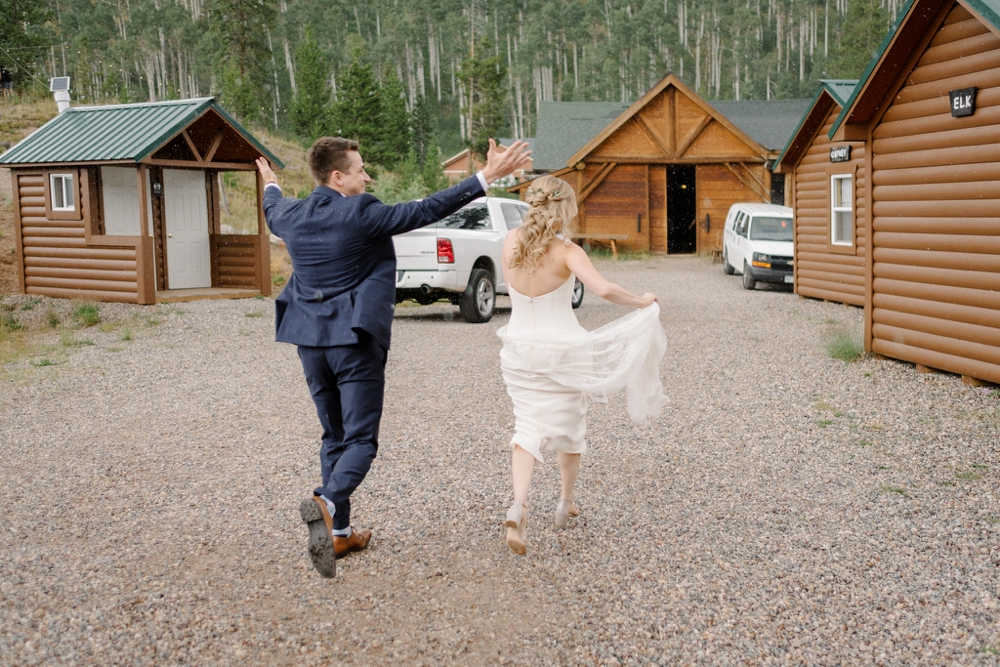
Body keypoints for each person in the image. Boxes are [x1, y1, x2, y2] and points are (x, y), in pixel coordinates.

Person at [256, 137, 530, 578]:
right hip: (354, 340)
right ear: (337, 176)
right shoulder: (361, 213)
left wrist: (269, 182)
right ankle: (326, 503)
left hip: (309, 341)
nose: (368, 177)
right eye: (360, 169)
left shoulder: (289, 214)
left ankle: (340, 531)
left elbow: (271, 206)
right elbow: (426, 210)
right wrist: (487, 177)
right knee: (361, 441)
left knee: (334, 435)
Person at [497, 174, 668, 555]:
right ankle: (563, 502)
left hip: (519, 349)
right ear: (565, 209)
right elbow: (604, 290)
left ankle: (519, 504)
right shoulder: (568, 251)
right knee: (571, 426)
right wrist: (642, 301)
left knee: (527, 426)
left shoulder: (510, 242)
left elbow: (512, 290)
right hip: (563, 351)